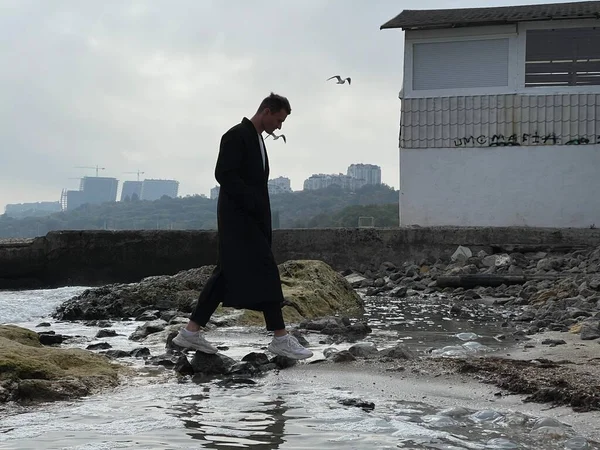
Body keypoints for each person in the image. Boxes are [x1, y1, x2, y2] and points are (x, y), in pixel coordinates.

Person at [173, 93, 313, 360]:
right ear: (266, 111)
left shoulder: (257, 139)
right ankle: (280, 337)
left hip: (249, 219)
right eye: (279, 120)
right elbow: (223, 173)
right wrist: (252, 203)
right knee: (268, 271)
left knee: (225, 273)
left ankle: (190, 332)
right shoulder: (236, 135)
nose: (279, 127)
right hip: (239, 220)